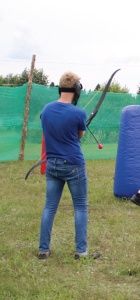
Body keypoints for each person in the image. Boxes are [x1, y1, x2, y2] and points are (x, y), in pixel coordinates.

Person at [38, 71, 100, 260]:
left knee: (50, 207)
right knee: (80, 207)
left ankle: (43, 249)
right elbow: (79, 136)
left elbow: (49, 132)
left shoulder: (46, 110)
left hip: (52, 165)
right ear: (77, 89)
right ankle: (81, 251)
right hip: (74, 165)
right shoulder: (79, 113)